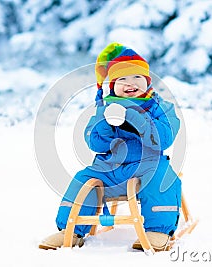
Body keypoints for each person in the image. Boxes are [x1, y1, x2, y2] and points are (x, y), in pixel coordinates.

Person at [39, 42, 182, 251]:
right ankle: (71, 230)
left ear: (148, 82)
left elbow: (165, 137)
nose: (129, 83)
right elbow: (94, 142)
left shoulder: (160, 107)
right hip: (111, 168)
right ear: (112, 86)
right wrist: (105, 122)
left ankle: (158, 230)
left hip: (147, 166)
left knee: (162, 178)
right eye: (122, 79)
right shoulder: (105, 109)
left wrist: (134, 117)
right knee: (83, 179)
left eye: (136, 77)